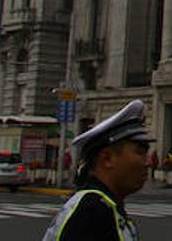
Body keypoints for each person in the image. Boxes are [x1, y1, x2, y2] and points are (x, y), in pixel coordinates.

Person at [40, 98, 153, 241]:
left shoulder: (101, 206)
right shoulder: (92, 213)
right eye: (140, 152)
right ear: (107, 159)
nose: (148, 162)